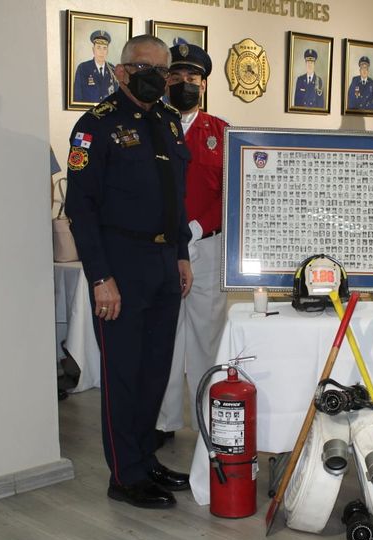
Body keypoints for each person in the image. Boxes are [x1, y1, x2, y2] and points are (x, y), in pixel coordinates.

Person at [64, 35, 194, 509]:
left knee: (155, 370)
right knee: (123, 374)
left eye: (163, 69)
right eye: (146, 68)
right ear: (120, 72)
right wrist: (100, 277)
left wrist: (181, 252)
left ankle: (145, 458)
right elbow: (80, 207)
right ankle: (124, 475)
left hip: (163, 263)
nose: (158, 77)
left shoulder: (167, 122)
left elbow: (174, 198)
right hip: (120, 264)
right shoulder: (95, 126)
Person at [156, 43, 228, 444]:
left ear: (203, 84)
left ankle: (207, 416)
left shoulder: (220, 131)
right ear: (166, 80)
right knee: (164, 337)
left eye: (193, 79)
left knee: (206, 336)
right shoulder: (152, 124)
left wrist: (197, 228)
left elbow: (233, 193)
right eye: (177, 77)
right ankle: (164, 422)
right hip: (161, 247)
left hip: (207, 244)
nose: (185, 84)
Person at [72, 30, 119, 103]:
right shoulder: (83, 68)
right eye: (98, 48)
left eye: (104, 48)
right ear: (93, 49)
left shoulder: (113, 70)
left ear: (107, 51)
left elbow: (117, 97)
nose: (102, 52)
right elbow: (77, 97)